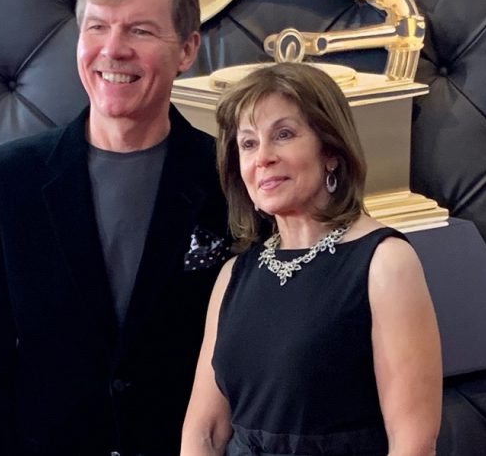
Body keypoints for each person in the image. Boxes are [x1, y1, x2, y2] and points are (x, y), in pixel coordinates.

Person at [0, 0, 230, 455]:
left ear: (188, 49)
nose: (114, 49)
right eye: (98, 27)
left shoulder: (231, 180)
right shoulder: (5, 180)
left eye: (141, 31)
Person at [182, 62, 442, 456]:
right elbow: (205, 432)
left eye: (283, 135)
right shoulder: (233, 275)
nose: (262, 157)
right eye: (248, 143)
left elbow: (413, 444)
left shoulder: (385, 263)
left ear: (331, 152)